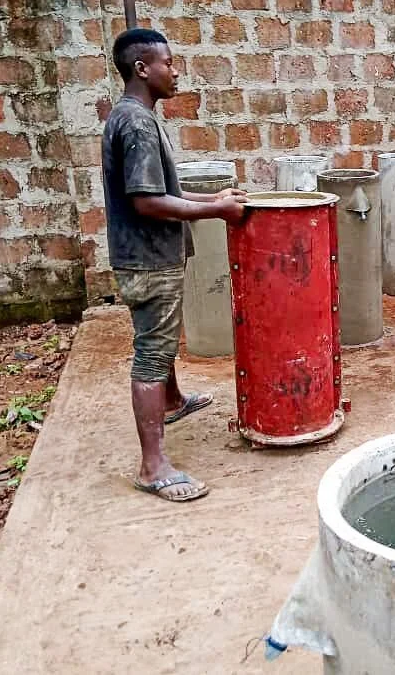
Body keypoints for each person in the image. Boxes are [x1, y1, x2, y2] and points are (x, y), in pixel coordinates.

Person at [102, 28, 246, 502]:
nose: (176, 69)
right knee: (152, 349)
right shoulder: (138, 123)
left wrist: (213, 197)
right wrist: (217, 211)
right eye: (169, 62)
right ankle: (153, 465)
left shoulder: (133, 116)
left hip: (147, 256)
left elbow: (167, 191)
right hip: (147, 259)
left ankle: (172, 401)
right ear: (142, 68)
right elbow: (147, 202)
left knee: (161, 338)